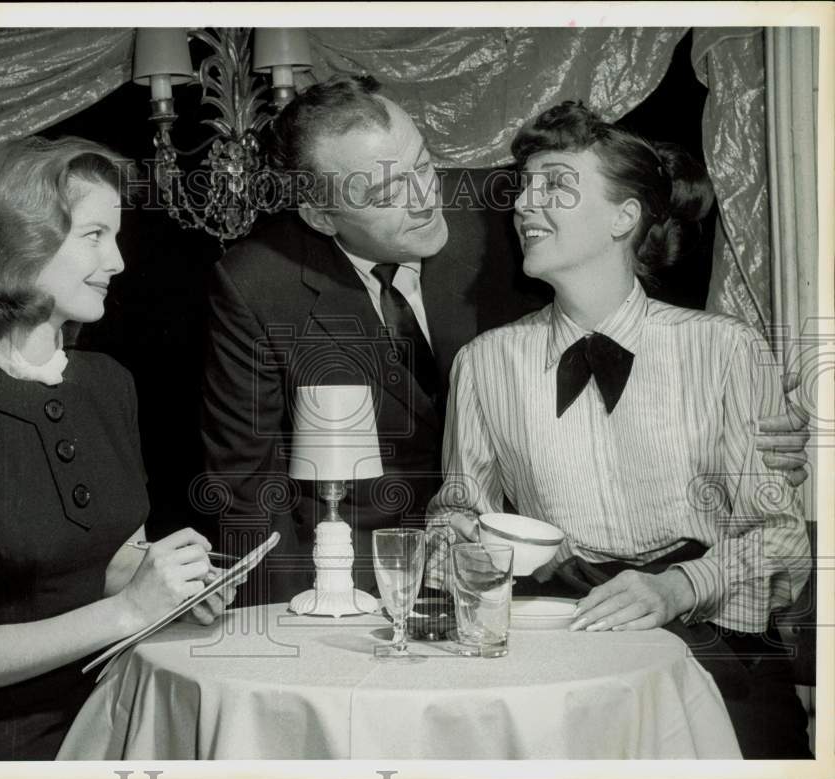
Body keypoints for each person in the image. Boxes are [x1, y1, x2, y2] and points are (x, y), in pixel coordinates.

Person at [202, 76, 808, 605]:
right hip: (351, 566)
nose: (423, 200)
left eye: (420, 165)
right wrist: (299, 616)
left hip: (531, 574)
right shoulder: (258, 283)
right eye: (385, 194)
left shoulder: (513, 214)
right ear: (320, 215)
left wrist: (761, 415)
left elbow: (625, 298)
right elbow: (247, 486)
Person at [425, 101, 812, 758]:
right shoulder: (484, 364)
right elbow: (454, 520)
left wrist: (678, 585)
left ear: (623, 218)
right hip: (570, 659)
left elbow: (780, 539)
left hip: (719, 656)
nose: (523, 204)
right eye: (522, 187)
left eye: (553, 185)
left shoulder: (728, 350)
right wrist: (460, 555)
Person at [0, 136, 234, 760]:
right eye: (94, 235)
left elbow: (101, 558)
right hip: (4, 744)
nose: (117, 262)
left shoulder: (109, 384)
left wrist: (168, 580)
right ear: (17, 241)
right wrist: (128, 611)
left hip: (127, 697)